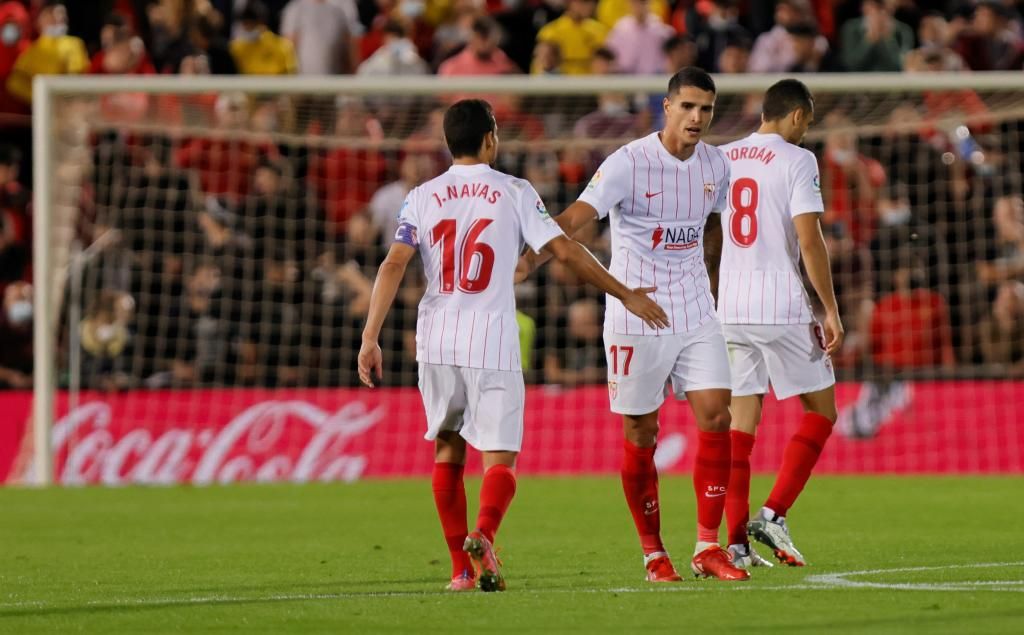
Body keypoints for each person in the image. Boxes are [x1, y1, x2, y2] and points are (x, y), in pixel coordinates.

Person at [357, 99, 667, 593]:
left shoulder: (421, 195)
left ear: (447, 143)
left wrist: (371, 336)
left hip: (435, 338)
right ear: (490, 139)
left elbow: (393, 264)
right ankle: (484, 534)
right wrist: (623, 291)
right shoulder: (514, 191)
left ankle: (460, 570)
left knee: (447, 452)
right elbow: (564, 249)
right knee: (499, 460)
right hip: (491, 338)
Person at [519, 67, 746, 582]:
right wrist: (529, 260)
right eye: (687, 106)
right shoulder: (628, 163)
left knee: (716, 416)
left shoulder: (716, 164)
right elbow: (577, 217)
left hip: (695, 309)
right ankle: (653, 553)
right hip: (635, 311)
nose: (697, 118)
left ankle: (708, 547)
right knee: (643, 430)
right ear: (665, 107)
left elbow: (722, 230)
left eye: (706, 109)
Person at [717, 79, 844, 569]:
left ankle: (735, 545)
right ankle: (773, 514)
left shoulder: (725, 156)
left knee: (740, 427)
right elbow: (809, 240)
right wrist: (829, 308)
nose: (805, 133)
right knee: (823, 411)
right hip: (779, 304)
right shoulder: (798, 161)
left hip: (729, 305)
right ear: (794, 116)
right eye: (806, 123)